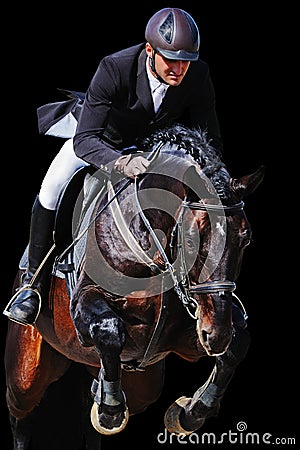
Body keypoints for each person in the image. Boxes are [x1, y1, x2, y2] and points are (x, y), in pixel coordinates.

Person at [4, 7, 223, 326]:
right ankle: (32, 285)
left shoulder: (197, 75)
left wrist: (209, 177)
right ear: (150, 50)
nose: (179, 69)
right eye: (171, 60)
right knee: (51, 189)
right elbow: (85, 140)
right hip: (99, 140)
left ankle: (201, 294)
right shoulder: (115, 67)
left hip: (147, 146)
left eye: (186, 61)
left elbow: (209, 140)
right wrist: (120, 162)